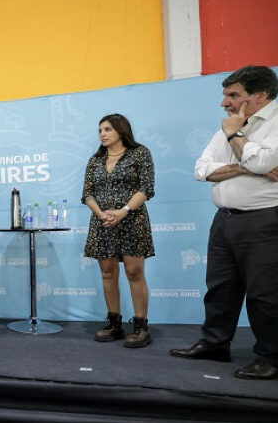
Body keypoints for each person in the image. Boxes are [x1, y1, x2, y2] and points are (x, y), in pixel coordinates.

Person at [170, 65, 278, 380]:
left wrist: (235, 135)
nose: (225, 103)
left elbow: (262, 160)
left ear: (261, 95)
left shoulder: (265, 125)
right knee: (220, 289)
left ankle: (271, 357)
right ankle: (215, 344)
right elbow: (202, 169)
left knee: (265, 294)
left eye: (233, 95)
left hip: (264, 221)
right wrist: (247, 168)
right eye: (226, 95)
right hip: (224, 220)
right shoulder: (229, 124)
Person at [82, 114, 155, 348]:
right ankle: (114, 323)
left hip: (132, 220)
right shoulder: (95, 160)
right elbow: (87, 193)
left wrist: (123, 211)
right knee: (107, 272)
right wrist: (101, 213)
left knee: (135, 272)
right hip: (103, 222)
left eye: (108, 129)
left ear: (121, 131)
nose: (103, 133)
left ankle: (141, 326)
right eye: (100, 130)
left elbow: (146, 189)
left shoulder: (140, 153)